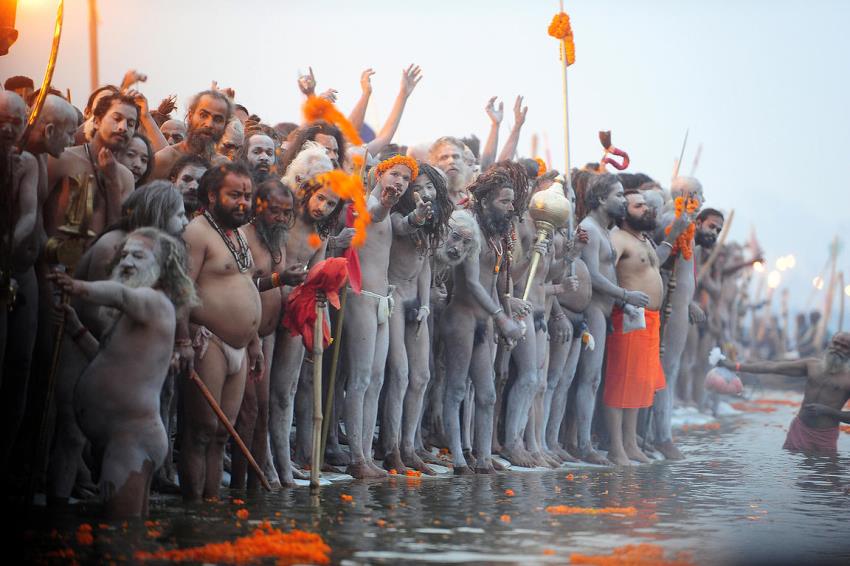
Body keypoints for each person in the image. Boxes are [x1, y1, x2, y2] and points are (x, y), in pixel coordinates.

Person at [48, 227, 198, 517]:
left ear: (162, 268)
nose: (126, 262)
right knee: (126, 534)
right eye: (124, 255)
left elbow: (119, 294)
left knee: (120, 536)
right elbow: (106, 361)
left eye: (138, 256)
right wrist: (76, 327)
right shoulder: (132, 315)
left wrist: (78, 287)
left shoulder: (155, 303)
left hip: (132, 440)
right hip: (122, 439)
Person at [180, 162, 263, 502]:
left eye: (247, 195)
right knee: (200, 431)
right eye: (234, 195)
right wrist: (183, 340)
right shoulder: (197, 232)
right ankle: (193, 512)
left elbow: (247, 285)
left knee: (220, 436)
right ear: (212, 195)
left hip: (240, 348)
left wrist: (255, 342)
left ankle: (211, 508)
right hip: (207, 341)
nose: (243, 202)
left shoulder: (240, 234)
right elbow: (181, 289)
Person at [441, 165, 526, 474]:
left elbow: (499, 280)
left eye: (512, 201)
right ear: (487, 199)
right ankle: (460, 460)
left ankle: (484, 458)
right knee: (456, 390)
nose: (511, 207)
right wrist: (501, 318)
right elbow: (474, 283)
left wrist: (507, 307)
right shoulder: (468, 227)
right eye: (505, 201)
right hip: (462, 318)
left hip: (485, 320)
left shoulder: (496, 234)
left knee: (487, 394)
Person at [339, 155, 415, 479]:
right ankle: (356, 457)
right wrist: (384, 202)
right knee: (358, 380)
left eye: (405, 178)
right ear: (379, 175)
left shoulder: (391, 211)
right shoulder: (369, 203)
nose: (399, 182)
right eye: (394, 174)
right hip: (360, 298)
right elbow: (374, 213)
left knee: (376, 380)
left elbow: (399, 221)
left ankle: (367, 456)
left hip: (382, 301)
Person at [268, 170, 343, 485]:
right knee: (267, 392)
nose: (323, 206)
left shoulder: (321, 235)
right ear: (308, 192)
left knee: (288, 390)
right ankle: (273, 463)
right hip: (269, 304)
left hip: (299, 311)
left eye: (331, 204)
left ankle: (285, 462)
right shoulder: (283, 221)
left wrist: (320, 328)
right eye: (320, 197)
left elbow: (319, 280)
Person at [231, 179, 304, 489]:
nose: (281, 218)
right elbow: (240, 287)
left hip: (266, 338)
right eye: (275, 211)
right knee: (247, 413)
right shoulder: (243, 237)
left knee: (261, 412)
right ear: (257, 207)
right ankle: (238, 487)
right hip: (241, 339)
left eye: (287, 213)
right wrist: (279, 279)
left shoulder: (278, 238)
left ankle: (254, 485)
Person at [381, 162, 452, 473]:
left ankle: (410, 448)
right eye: (418, 187)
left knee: (421, 376)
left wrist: (425, 304)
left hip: (417, 302)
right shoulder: (398, 214)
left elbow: (425, 265)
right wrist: (417, 216)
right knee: (399, 375)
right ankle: (390, 448)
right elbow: (403, 226)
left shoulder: (433, 222)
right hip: (393, 296)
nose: (425, 193)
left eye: (429, 187)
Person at [573, 174, 648, 465]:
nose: (622, 201)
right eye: (618, 196)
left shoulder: (604, 230)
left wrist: (621, 302)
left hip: (605, 311)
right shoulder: (589, 229)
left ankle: (580, 441)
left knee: (593, 380)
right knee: (588, 379)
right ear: (602, 199)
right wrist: (626, 295)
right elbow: (592, 275)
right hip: (592, 309)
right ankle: (582, 445)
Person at [604, 190, 677, 465]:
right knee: (620, 381)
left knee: (638, 383)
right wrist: (621, 299)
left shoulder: (643, 238)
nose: (646, 209)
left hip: (651, 319)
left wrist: (675, 233)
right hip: (630, 316)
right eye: (638, 205)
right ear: (624, 212)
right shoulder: (617, 238)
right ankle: (615, 447)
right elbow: (605, 270)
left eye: (646, 205)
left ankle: (631, 442)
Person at [719, 333, 850, 455]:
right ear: (829, 344)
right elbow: (771, 367)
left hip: (825, 435)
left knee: (824, 474)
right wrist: (734, 366)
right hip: (800, 429)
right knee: (792, 470)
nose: (838, 348)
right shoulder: (812, 365)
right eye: (836, 343)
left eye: (844, 347)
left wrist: (827, 411)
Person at [652, 176, 704, 460]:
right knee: (665, 371)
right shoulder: (670, 220)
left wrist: (690, 301)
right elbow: (657, 263)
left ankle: (658, 434)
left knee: (668, 370)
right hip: (669, 305)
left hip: (681, 305)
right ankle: (660, 437)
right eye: (701, 195)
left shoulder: (685, 222)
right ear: (688, 194)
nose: (704, 201)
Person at [0, 90, 39, 470]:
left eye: (17, 121)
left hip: (17, 268)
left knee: (20, 365)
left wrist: (10, 246)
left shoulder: (25, 162)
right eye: (3, 122)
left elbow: (29, 213)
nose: (9, 129)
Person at [46, 92, 139, 241]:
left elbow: (117, 235)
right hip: (52, 258)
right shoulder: (62, 159)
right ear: (96, 121)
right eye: (117, 118)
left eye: (131, 123)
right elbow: (34, 213)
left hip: (98, 261)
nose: (123, 127)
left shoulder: (126, 177)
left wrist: (113, 182)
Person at [151, 90, 231, 180]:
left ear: (226, 125)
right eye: (203, 115)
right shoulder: (165, 159)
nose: (209, 124)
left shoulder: (224, 167)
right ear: (190, 116)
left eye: (218, 119)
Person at [428, 136, 472, 206]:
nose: (451, 161)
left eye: (456, 156)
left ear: (463, 161)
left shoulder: (467, 199)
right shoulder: (432, 200)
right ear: (434, 164)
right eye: (444, 157)